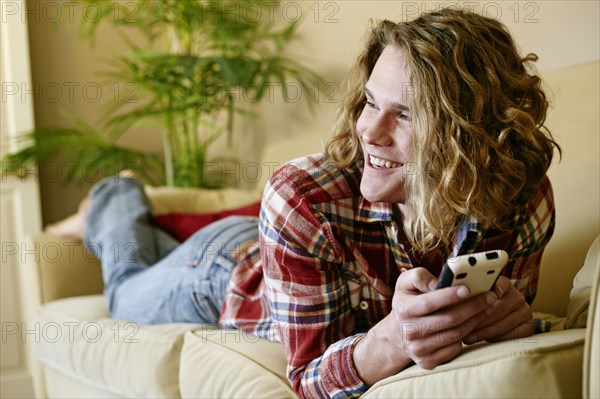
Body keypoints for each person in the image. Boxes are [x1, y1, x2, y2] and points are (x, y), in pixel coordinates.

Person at [47, 8, 560, 398]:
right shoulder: (303, 194)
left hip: (280, 250)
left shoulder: (521, 195)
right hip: (221, 273)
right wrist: (391, 342)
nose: (370, 133)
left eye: (406, 116)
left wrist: (512, 320)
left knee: (154, 252)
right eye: (372, 104)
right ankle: (115, 196)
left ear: (471, 136)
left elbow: (499, 329)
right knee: (125, 287)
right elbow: (307, 378)